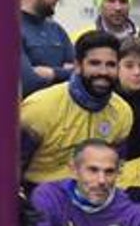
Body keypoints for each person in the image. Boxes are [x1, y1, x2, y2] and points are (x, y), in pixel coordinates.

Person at [20, 31, 134, 186]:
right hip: (40, 196)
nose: (103, 72)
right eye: (95, 63)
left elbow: (117, 169)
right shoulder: (39, 108)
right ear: (78, 66)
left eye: (111, 65)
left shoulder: (122, 112)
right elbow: (10, 171)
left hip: (96, 194)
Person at [20, 0, 75, 97]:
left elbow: (81, 74)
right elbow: (28, 82)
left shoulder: (57, 30)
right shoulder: (9, 30)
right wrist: (64, 73)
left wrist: (52, 73)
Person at [70, 0, 136, 43]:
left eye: (123, 2)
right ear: (100, 4)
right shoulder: (81, 38)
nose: (118, 8)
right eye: (111, 1)